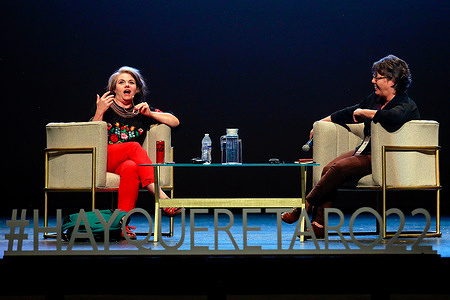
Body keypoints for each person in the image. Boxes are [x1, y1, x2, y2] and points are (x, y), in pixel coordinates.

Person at [282, 55, 420, 238]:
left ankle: (304, 206)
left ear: (392, 80)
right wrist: (320, 123)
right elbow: (349, 113)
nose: (373, 81)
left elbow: (392, 116)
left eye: (377, 77)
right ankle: (318, 225)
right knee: (328, 168)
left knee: (339, 168)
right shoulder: (375, 100)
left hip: (388, 157)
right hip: (367, 151)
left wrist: (365, 112)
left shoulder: (406, 104)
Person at [91, 66, 181, 238]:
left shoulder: (141, 111)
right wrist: (99, 111)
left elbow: (175, 122)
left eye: (131, 82)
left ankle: (122, 224)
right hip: (103, 159)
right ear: (114, 88)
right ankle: (162, 198)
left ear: (137, 89)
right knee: (133, 147)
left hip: (124, 163)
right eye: (121, 82)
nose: (127, 85)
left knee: (131, 167)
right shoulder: (105, 107)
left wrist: (151, 114)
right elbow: (92, 136)